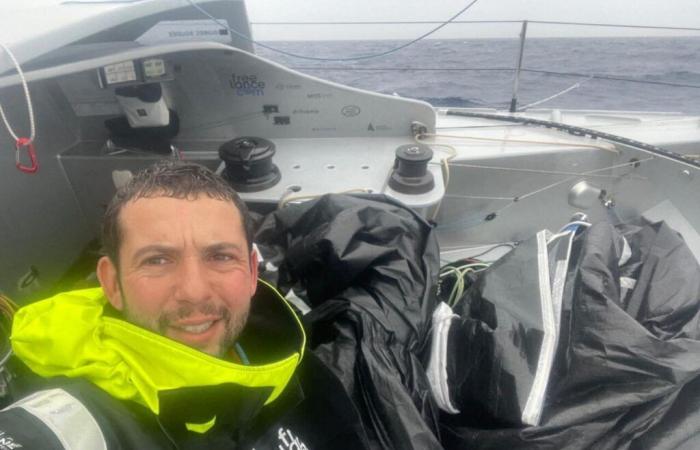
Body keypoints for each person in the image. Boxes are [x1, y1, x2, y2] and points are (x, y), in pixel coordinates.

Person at [0, 161, 369, 449]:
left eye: (221, 256)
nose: (194, 291)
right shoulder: (69, 422)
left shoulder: (284, 352)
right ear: (112, 284)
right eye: (157, 260)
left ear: (253, 272)